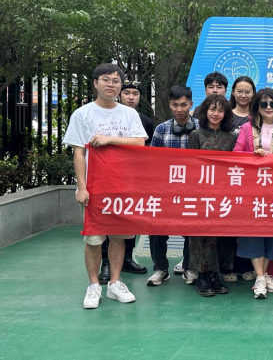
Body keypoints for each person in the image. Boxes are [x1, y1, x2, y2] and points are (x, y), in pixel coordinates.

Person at [63, 63, 147, 309]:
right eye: (106, 80)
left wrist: (109, 139)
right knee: (94, 239)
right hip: (94, 187)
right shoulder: (82, 114)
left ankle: (115, 283)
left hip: (122, 186)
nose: (111, 84)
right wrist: (82, 187)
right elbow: (79, 153)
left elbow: (139, 143)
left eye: (115, 80)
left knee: (119, 238)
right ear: (95, 83)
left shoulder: (129, 114)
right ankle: (93, 286)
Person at [234, 89, 273, 298]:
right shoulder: (247, 128)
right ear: (257, 107)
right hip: (253, 188)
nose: (268, 108)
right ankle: (259, 276)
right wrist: (252, 155)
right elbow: (236, 155)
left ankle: (264, 273)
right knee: (254, 231)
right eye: (264, 104)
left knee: (271, 231)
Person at [97, 79, 151, 284]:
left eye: (135, 94)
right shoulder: (109, 116)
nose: (131, 97)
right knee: (107, 219)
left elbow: (148, 151)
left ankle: (128, 258)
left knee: (130, 218)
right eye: (127, 93)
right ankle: (106, 263)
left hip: (133, 177)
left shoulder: (145, 121)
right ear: (120, 95)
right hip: (107, 176)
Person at [147, 85, 199, 287]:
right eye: (175, 105)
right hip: (166, 190)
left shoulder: (201, 127)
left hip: (193, 190)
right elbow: (152, 162)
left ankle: (189, 266)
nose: (179, 109)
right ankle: (160, 269)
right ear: (170, 104)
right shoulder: (161, 129)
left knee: (192, 230)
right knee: (156, 229)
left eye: (183, 105)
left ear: (191, 104)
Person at [188, 95, 238, 297]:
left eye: (220, 110)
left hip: (223, 193)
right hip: (201, 193)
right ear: (205, 111)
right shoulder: (196, 135)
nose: (216, 114)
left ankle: (214, 274)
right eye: (212, 109)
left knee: (219, 235)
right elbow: (190, 166)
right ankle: (201, 275)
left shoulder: (232, 136)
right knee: (200, 234)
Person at [223, 75, 257, 282]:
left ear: (253, 94)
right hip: (227, 177)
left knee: (247, 223)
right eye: (240, 91)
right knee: (229, 221)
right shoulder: (224, 114)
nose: (243, 95)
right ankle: (228, 267)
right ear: (233, 93)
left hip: (252, 180)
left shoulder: (258, 116)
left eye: (248, 92)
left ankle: (245, 265)